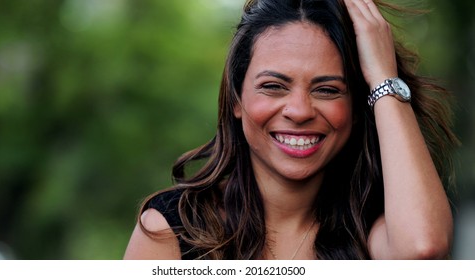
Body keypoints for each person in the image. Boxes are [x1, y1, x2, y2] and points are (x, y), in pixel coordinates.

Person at [124, 0, 459, 259]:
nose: (299, 111)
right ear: (237, 101)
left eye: (327, 90)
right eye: (273, 86)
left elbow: (422, 248)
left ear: (359, 107)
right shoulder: (174, 231)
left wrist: (385, 79)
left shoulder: (373, 232)